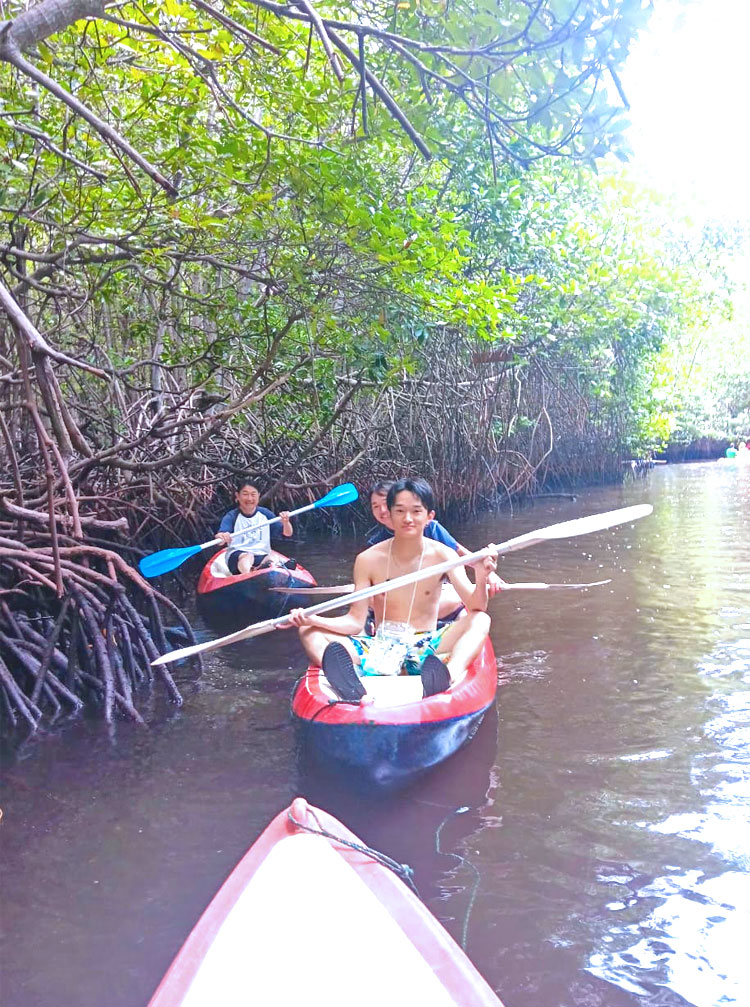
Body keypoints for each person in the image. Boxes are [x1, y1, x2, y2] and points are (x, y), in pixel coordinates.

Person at [284, 477, 497, 700]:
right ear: (390, 515)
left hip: (426, 647)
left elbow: (476, 606)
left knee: (481, 620)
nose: (407, 518)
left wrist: (481, 577)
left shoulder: (445, 555)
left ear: (429, 517)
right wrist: (312, 619)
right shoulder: (367, 559)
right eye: (400, 511)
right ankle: (352, 683)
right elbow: (355, 622)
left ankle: (448, 676)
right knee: (309, 632)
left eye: (416, 511)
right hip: (380, 649)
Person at [367, 480, 505, 616]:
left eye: (385, 504)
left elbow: (462, 555)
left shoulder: (433, 531)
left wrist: (486, 575)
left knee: (471, 612)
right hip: (396, 604)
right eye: (375, 506)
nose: (382, 511)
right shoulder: (373, 547)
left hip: (433, 596)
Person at [215, 478, 294, 575]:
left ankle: (261, 569)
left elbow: (287, 533)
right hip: (238, 557)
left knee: (272, 557)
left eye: (253, 495)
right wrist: (222, 537)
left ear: (258, 496)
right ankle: (248, 575)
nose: (249, 499)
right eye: (245, 494)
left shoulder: (265, 514)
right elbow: (220, 537)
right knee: (248, 557)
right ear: (237, 496)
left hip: (261, 555)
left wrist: (286, 522)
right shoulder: (232, 516)